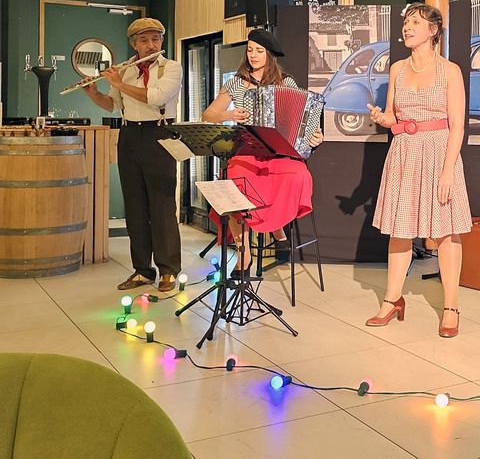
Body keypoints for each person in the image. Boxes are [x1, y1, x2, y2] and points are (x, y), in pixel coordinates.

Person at [366, 3, 472, 338]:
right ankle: (392, 300)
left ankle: (451, 306)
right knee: (400, 228)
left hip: (440, 151)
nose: (407, 27)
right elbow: (393, 117)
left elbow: (457, 126)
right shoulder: (397, 69)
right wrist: (383, 120)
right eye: (406, 22)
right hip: (404, 152)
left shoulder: (450, 71)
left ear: (433, 31)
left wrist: (447, 172)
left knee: (445, 231)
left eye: (415, 22)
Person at [201, 29, 323, 273]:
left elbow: (302, 119)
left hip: (280, 152)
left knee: (296, 175)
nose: (254, 55)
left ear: (269, 55)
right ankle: (244, 254)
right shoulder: (234, 83)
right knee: (234, 180)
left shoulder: (285, 82)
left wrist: (314, 136)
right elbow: (208, 115)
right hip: (247, 149)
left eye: (259, 51)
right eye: (250, 50)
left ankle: (277, 230)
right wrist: (228, 114)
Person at [83, 18, 183, 292]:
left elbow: (156, 97)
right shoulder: (125, 71)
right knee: (135, 206)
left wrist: (118, 82)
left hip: (160, 135)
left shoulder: (171, 67)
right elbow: (112, 105)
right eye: (144, 40)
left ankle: (168, 269)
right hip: (129, 137)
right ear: (133, 44)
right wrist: (94, 93)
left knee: (162, 206)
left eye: (156, 39)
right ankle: (142, 270)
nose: (151, 45)